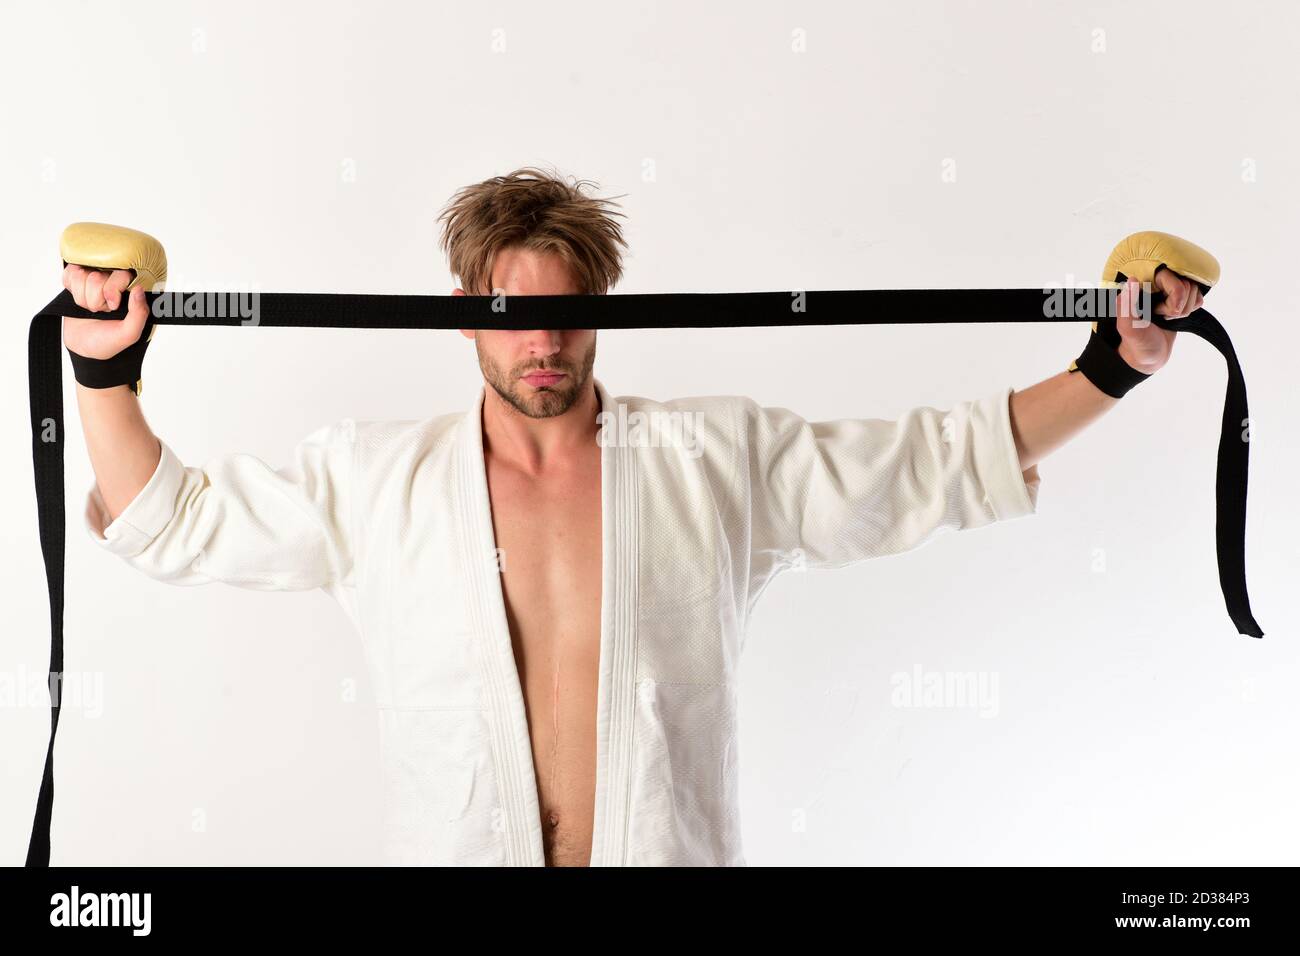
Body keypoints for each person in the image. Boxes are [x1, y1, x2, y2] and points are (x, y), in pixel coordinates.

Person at [64, 166, 1205, 867]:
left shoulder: (712, 458)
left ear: (604, 310)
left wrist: (1111, 366)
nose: (542, 345)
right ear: (461, 313)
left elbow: (937, 462)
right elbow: (169, 520)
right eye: (512, 316)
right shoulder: (380, 481)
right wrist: (105, 374)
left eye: (565, 318)